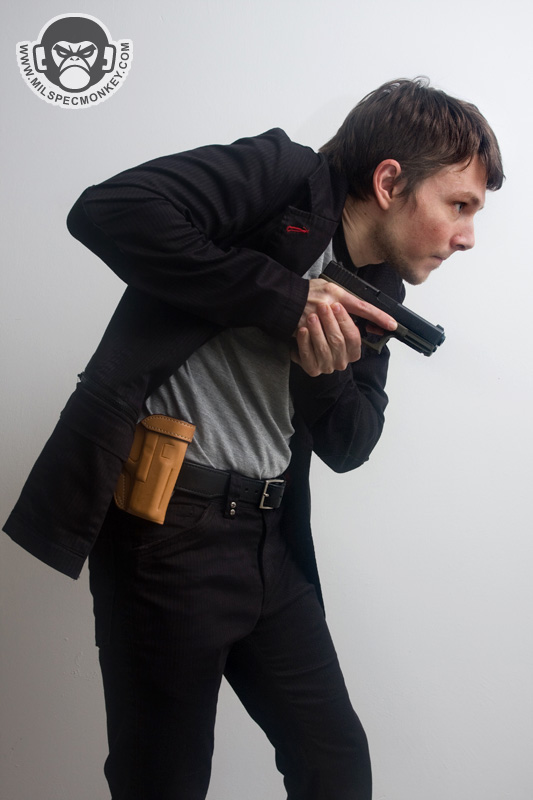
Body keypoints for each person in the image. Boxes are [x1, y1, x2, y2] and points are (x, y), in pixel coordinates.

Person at [3, 78, 503, 799]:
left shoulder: (379, 289)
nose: (466, 236)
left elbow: (351, 444)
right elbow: (109, 209)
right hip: (166, 533)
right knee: (162, 783)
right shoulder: (282, 177)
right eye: (459, 205)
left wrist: (323, 371)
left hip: (271, 540)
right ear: (390, 182)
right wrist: (287, 298)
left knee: (335, 768)